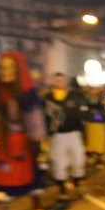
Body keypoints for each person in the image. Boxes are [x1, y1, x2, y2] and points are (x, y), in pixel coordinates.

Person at [0, 52, 48, 210]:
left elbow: (35, 116)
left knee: (31, 174)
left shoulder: (28, 93)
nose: (6, 71)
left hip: (23, 140)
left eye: (10, 67)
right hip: (4, 141)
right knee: (3, 174)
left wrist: (36, 137)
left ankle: (37, 205)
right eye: (3, 67)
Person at [44, 73, 88, 201]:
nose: (59, 82)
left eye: (61, 80)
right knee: (59, 162)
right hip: (57, 136)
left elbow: (81, 113)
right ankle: (62, 189)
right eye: (56, 80)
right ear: (54, 81)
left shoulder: (74, 96)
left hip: (73, 133)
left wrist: (83, 128)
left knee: (78, 159)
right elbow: (45, 117)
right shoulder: (48, 98)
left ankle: (77, 182)